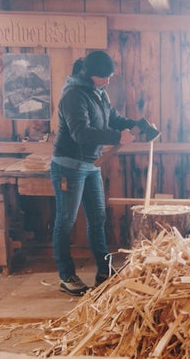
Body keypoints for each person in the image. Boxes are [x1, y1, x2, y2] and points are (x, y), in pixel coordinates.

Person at [50, 50, 150, 296]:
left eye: (109, 77)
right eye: (103, 77)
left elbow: (112, 118)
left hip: (90, 165)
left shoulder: (99, 92)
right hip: (68, 166)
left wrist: (136, 125)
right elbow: (81, 133)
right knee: (66, 220)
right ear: (89, 74)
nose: (107, 81)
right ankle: (66, 276)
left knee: (97, 219)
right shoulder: (73, 95)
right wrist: (117, 137)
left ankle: (105, 272)